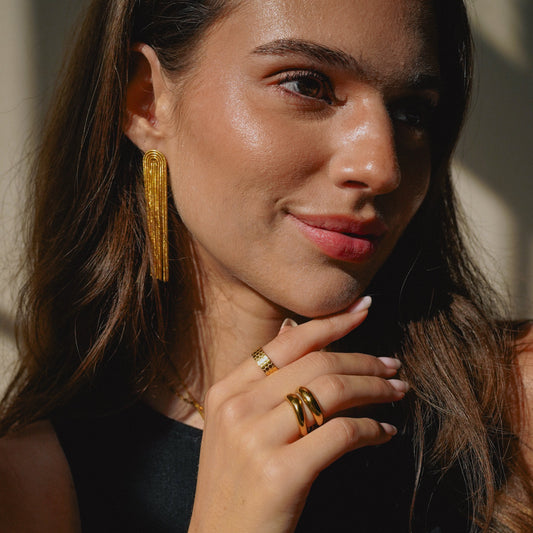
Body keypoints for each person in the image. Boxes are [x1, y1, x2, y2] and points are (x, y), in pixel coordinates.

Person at [0, 0, 531, 531]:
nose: (382, 166)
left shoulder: (517, 407)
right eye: (306, 85)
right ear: (147, 100)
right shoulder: (31, 484)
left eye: (412, 111)